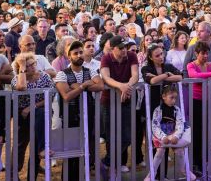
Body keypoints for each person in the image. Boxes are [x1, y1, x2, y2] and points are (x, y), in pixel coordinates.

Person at [54, 41, 104, 181]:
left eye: (81, 52)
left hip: (88, 115)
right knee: (70, 153)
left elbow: (100, 85)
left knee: (85, 150)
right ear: (69, 56)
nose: (79, 55)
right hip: (70, 117)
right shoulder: (62, 74)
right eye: (75, 53)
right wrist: (84, 86)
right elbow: (66, 96)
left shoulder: (90, 71)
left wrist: (77, 86)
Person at [99, 36, 139, 173]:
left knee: (127, 136)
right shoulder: (106, 58)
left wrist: (126, 87)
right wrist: (121, 86)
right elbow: (106, 77)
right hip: (108, 101)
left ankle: (107, 161)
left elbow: (135, 75)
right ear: (112, 48)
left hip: (126, 99)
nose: (124, 50)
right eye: (121, 48)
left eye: (125, 47)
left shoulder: (132, 55)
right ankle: (112, 165)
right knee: (111, 135)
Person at [12, 52, 54, 181]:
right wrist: (22, 69)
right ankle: (14, 174)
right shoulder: (17, 78)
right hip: (22, 115)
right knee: (20, 144)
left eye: (33, 64)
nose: (32, 67)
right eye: (28, 65)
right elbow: (22, 87)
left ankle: (32, 176)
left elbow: (50, 96)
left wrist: (32, 107)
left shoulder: (44, 76)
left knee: (36, 145)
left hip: (40, 114)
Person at [186, 42, 211, 172]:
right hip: (196, 102)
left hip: (210, 101)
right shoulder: (191, 65)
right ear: (196, 54)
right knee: (197, 132)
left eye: (207, 53)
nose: (205, 56)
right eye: (203, 53)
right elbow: (194, 76)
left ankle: (206, 158)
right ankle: (196, 161)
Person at [144, 84, 196, 181]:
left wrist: (176, 136)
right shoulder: (158, 110)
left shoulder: (177, 109)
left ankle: (185, 171)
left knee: (180, 151)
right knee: (159, 151)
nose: (173, 100)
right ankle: (151, 175)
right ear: (164, 97)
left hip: (173, 135)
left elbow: (180, 124)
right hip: (161, 136)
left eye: (175, 98)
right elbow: (155, 126)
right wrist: (163, 136)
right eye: (171, 98)